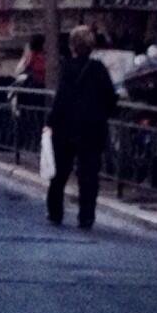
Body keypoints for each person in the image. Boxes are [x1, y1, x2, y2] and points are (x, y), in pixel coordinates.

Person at [46, 25, 118, 230]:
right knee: (89, 175)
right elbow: (110, 98)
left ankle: (55, 212)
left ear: (72, 46)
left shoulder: (67, 68)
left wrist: (50, 122)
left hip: (67, 127)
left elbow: (61, 99)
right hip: (92, 128)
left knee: (60, 172)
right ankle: (86, 216)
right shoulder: (99, 69)